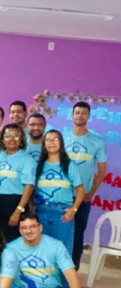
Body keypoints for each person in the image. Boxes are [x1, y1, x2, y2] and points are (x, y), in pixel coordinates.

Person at [63, 101, 108, 270]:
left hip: (82, 198)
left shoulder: (96, 141)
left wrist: (91, 193)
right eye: (77, 112)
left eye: (83, 113)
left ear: (88, 116)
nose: (80, 116)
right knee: (59, 234)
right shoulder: (62, 138)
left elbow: (102, 170)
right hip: (61, 195)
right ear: (72, 115)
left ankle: (73, 270)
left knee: (77, 235)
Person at [34, 130, 85, 255]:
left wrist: (74, 209)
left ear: (61, 143)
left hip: (62, 213)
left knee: (61, 252)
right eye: (48, 140)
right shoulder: (38, 165)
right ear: (44, 144)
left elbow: (80, 190)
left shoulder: (69, 165)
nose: (51, 142)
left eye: (55, 139)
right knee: (41, 251)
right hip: (40, 212)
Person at [0, 123, 35, 243]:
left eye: (16, 136)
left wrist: (18, 210)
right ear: (2, 139)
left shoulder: (27, 160)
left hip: (14, 203)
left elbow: (29, 187)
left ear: (22, 139)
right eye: (8, 136)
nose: (12, 139)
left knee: (11, 241)